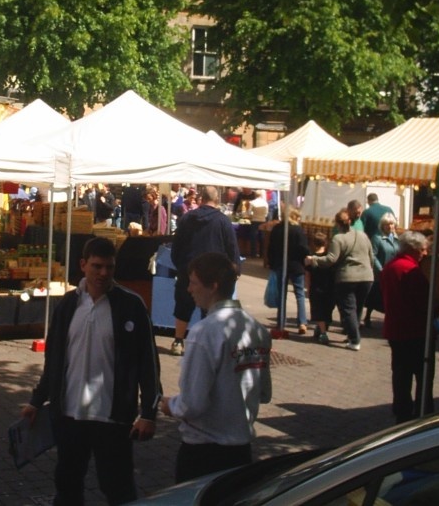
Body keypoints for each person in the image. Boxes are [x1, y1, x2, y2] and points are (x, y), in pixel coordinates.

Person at [22, 237, 160, 505]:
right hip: (70, 414)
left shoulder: (131, 305)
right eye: (97, 266)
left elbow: (148, 362)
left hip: (113, 417)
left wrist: (149, 413)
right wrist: (36, 400)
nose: (103, 273)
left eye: (109, 267)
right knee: (68, 484)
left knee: (118, 487)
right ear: (83, 265)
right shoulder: (67, 305)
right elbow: (55, 360)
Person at [159, 251, 272, 483]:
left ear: (213, 286)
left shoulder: (204, 333)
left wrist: (170, 405)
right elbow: (264, 393)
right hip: (241, 450)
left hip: (204, 452)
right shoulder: (257, 329)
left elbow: (192, 404)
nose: (189, 289)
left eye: (193, 283)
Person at [169, 186, 242, 356]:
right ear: (217, 200)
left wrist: (181, 266)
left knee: (183, 306)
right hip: (214, 272)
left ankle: (178, 341)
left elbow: (176, 247)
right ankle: (208, 342)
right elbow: (232, 248)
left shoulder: (187, 219)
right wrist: (235, 268)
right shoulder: (223, 221)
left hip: (188, 269)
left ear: (201, 199)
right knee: (211, 308)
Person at [380, 231, 436, 422]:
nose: (425, 253)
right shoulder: (411, 271)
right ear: (413, 250)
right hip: (415, 330)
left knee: (401, 374)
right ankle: (422, 410)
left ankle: (402, 410)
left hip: (395, 329)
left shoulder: (390, 267)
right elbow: (424, 304)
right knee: (423, 374)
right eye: (422, 249)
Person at [306, 208, 374, 351]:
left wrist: (314, 259)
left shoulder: (338, 238)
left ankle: (355, 340)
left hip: (347, 277)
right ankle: (352, 335)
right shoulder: (363, 236)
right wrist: (369, 270)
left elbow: (331, 259)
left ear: (337, 224)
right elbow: (371, 257)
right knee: (358, 308)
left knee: (348, 309)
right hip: (367, 277)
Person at [266, 206, 309, 333]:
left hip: (280, 264)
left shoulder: (277, 229)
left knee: (282, 295)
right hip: (296, 265)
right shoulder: (297, 230)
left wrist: (271, 263)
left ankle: (281, 322)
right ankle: (302, 322)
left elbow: (270, 248)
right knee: (300, 294)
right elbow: (303, 248)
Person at [306, 231, 336, 343]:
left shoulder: (310, 258)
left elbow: (307, 275)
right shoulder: (330, 258)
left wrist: (308, 289)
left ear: (313, 243)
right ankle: (321, 329)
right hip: (330, 287)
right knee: (327, 310)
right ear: (326, 243)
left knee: (318, 311)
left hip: (316, 287)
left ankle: (323, 332)